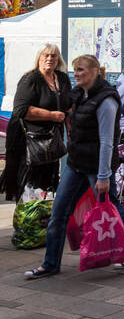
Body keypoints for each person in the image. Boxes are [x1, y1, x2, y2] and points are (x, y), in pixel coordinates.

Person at [24, 55, 124, 278]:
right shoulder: (80, 95)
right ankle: (50, 263)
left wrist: (103, 176)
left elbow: (107, 141)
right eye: (75, 70)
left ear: (93, 72)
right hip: (76, 163)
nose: (76, 74)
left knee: (112, 209)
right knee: (58, 212)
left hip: (96, 167)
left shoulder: (106, 101)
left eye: (80, 70)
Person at [1, 44, 72, 203]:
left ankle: (43, 218)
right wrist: (50, 115)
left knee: (48, 183)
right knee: (30, 184)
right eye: (45, 55)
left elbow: (68, 106)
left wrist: (70, 131)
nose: (49, 59)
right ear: (39, 58)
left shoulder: (62, 78)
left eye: (53, 56)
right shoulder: (30, 79)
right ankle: (28, 220)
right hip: (29, 141)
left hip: (52, 141)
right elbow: (21, 110)